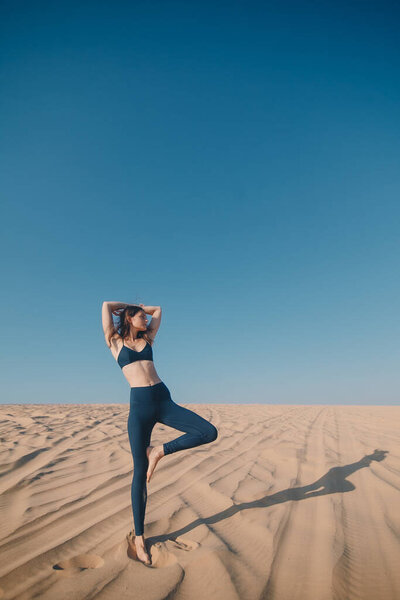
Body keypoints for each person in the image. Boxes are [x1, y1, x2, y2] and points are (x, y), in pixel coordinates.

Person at [101, 301, 218, 565]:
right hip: (140, 407)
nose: (145, 318)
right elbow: (107, 306)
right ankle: (140, 538)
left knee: (208, 431)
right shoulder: (115, 342)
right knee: (139, 474)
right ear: (129, 319)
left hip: (164, 401)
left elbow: (159, 311)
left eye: (144, 316)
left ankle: (159, 451)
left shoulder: (149, 338)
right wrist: (126, 307)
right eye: (140, 316)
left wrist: (141, 307)